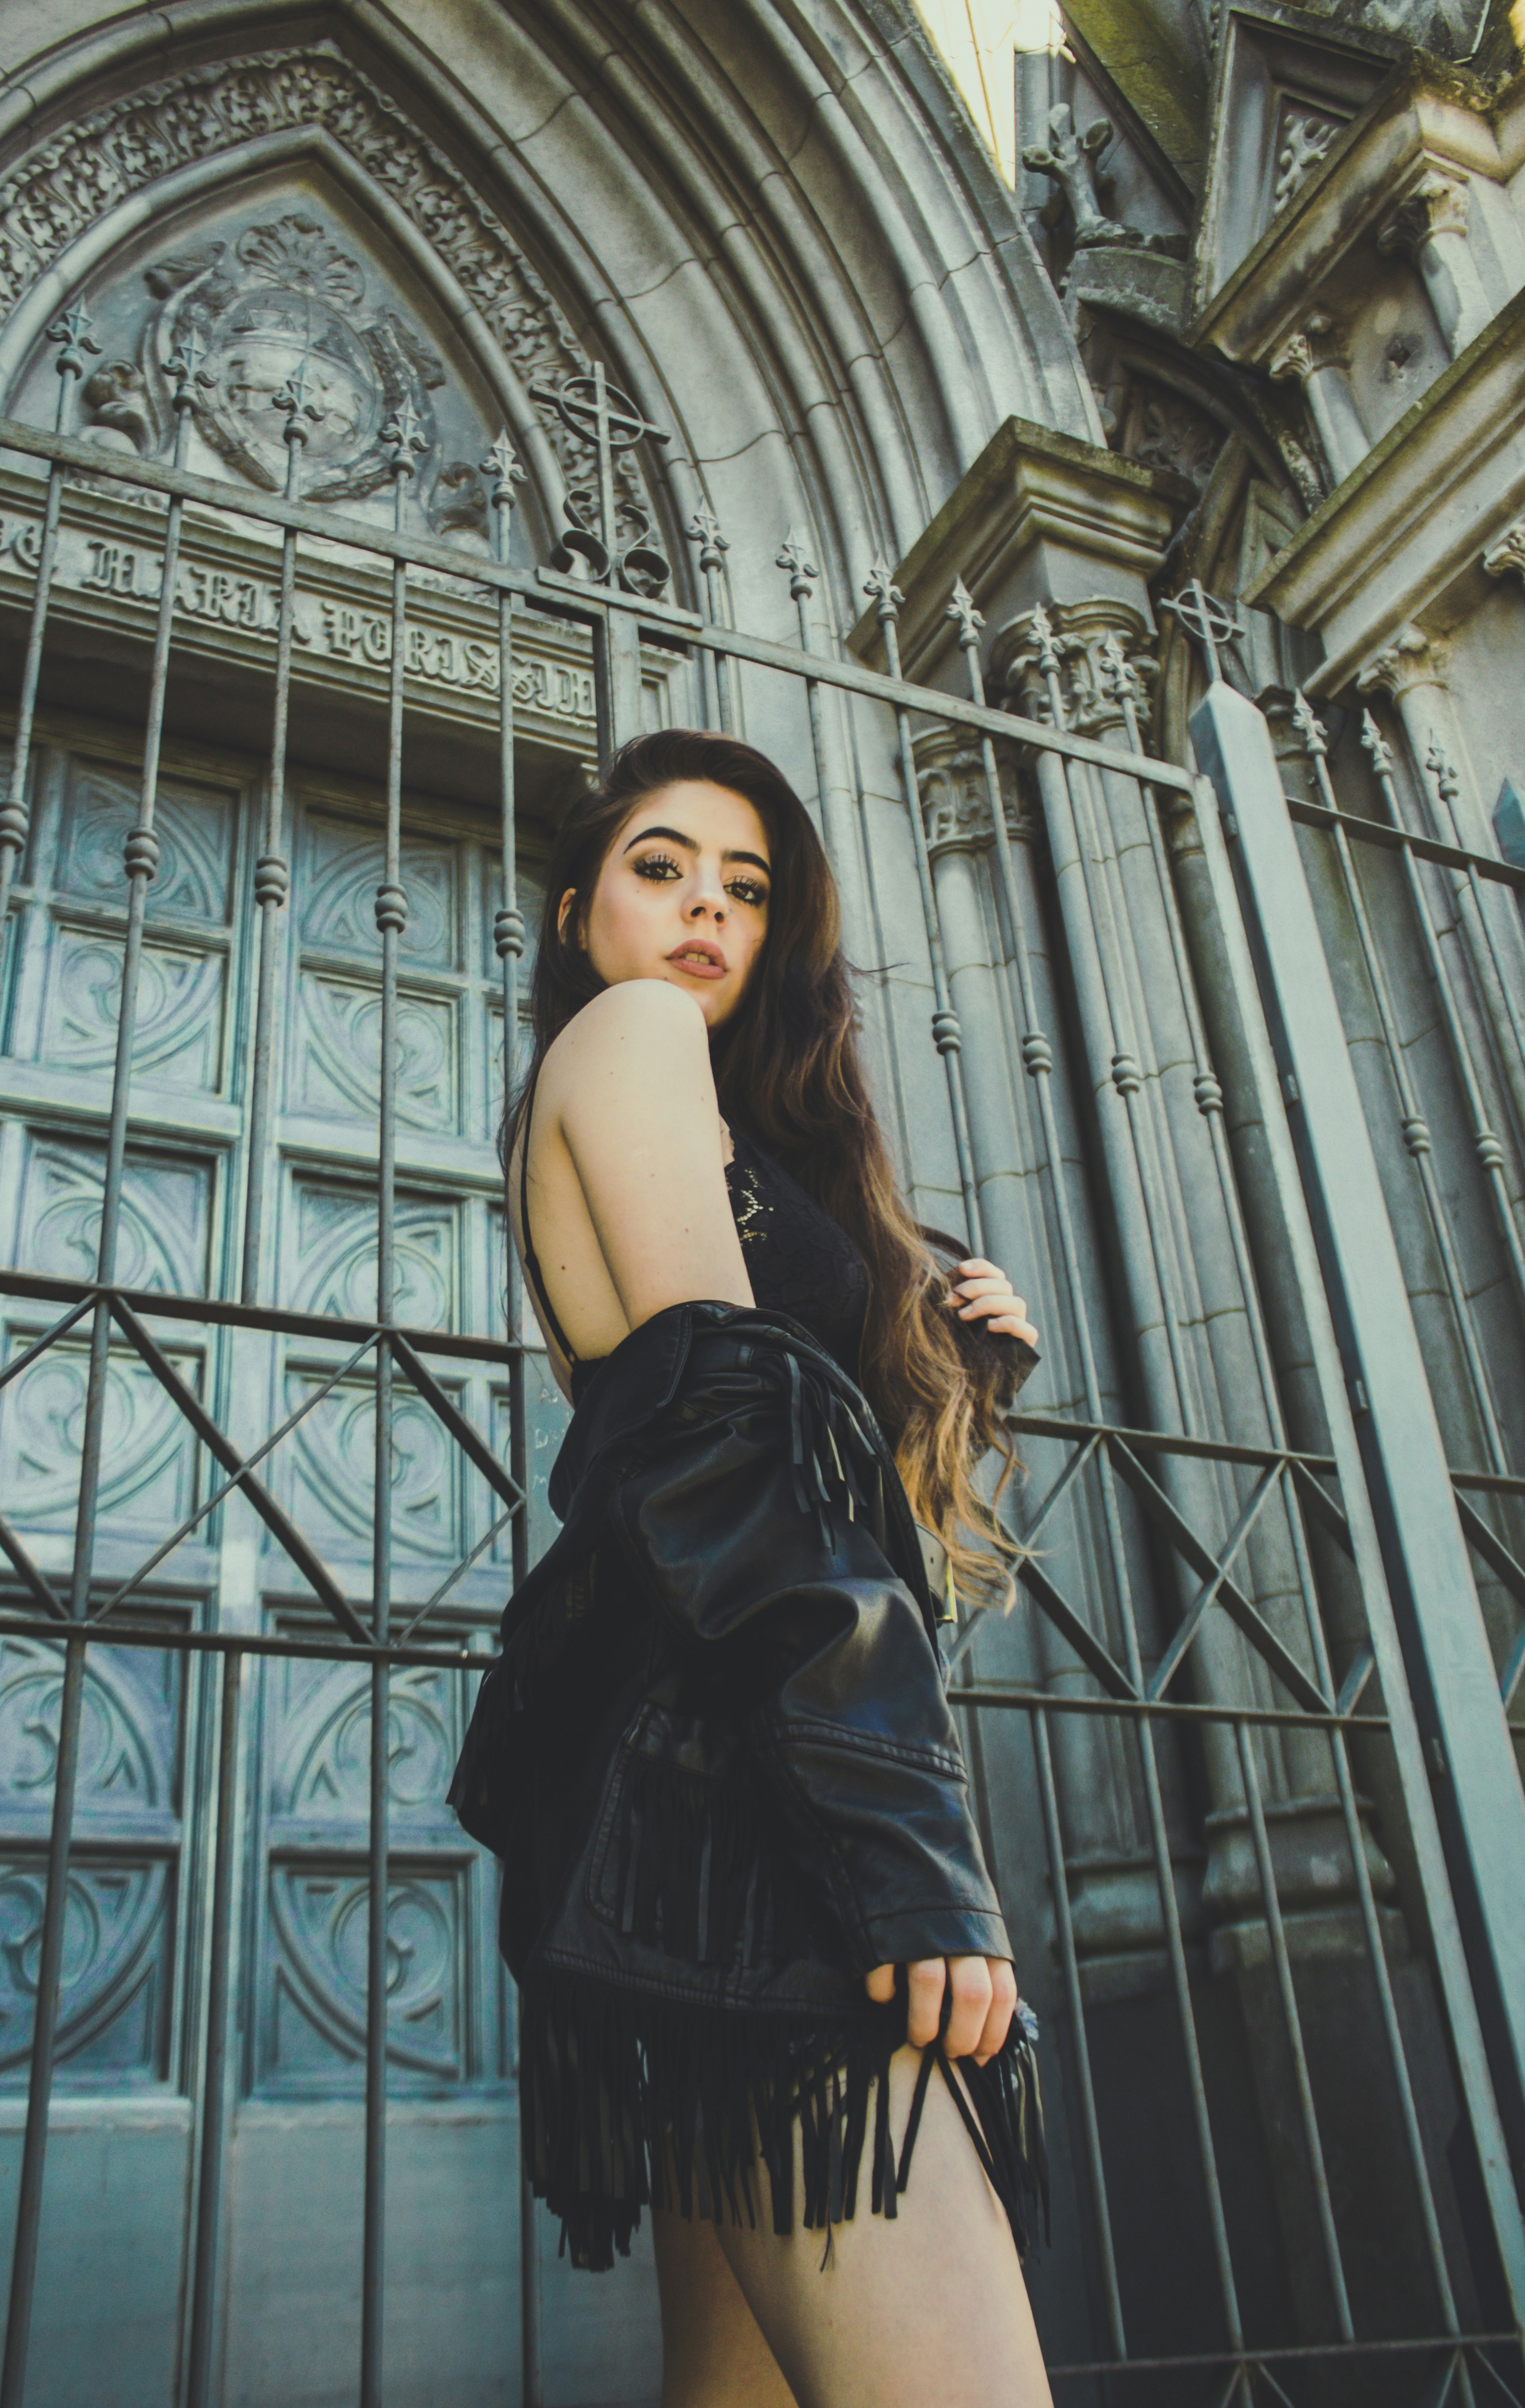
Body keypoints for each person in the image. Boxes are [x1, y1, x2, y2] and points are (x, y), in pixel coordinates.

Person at [450, 729, 1053, 2408]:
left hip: (704, 1768)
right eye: (662, 869)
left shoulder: (721, 1117)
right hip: (751, 1792)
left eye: (747, 886)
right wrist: (901, 1842)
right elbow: (724, 1447)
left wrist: (922, 1349)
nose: (708, 909)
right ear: (579, 913)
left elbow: (761, 1429)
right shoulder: (631, 1033)